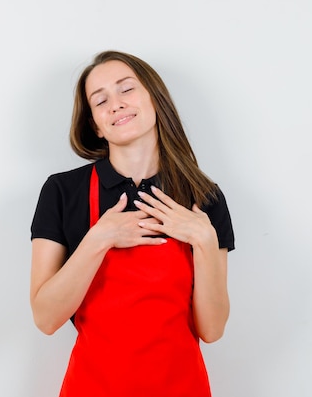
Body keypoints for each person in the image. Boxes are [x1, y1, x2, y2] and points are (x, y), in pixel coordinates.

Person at [30, 50, 235, 397]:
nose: (116, 104)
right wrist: (99, 239)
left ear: (154, 98)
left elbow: (212, 329)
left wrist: (203, 238)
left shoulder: (205, 196)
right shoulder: (63, 192)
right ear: (95, 124)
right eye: (100, 100)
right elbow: (45, 318)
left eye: (126, 89)